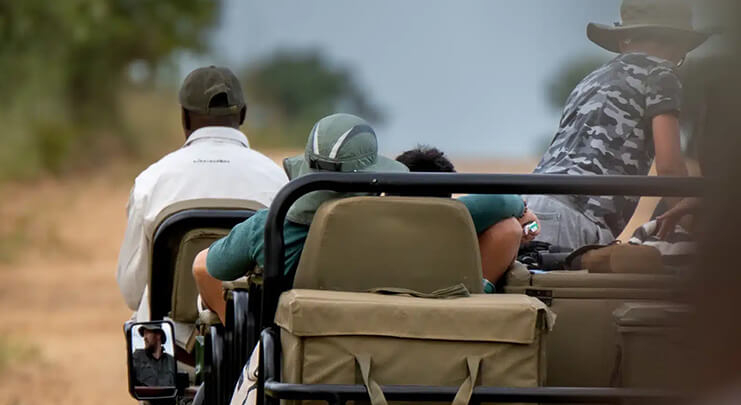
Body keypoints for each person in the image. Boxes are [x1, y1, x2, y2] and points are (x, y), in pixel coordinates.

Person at [192, 113, 409, 323]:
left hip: (300, 344)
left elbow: (205, 268)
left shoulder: (271, 226)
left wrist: (236, 327)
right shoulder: (398, 231)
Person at [527, 0, 709, 250]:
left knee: (529, 274)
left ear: (624, 40)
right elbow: (670, 167)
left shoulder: (590, 80)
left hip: (529, 207)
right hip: (576, 217)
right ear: (679, 44)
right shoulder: (661, 75)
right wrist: (692, 228)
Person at [116, 66, 288, 322]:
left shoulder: (151, 181)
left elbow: (132, 292)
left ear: (184, 117)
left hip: (172, 340)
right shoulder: (279, 182)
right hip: (252, 339)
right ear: (243, 114)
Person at [395, 146, 540, 286]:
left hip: (387, 290)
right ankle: (481, 291)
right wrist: (524, 212)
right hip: (444, 293)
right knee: (509, 227)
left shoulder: (383, 216)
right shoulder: (451, 215)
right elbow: (501, 201)